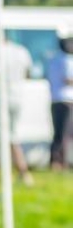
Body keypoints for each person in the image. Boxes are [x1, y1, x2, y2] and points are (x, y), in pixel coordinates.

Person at [3, 38, 36, 186]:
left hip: (3, 98)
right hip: (19, 96)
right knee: (11, 135)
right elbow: (29, 73)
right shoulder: (22, 51)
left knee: (8, 136)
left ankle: (22, 171)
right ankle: (16, 172)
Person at [45, 31, 73, 171]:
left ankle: (55, 161)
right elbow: (68, 79)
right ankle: (62, 162)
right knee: (65, 133)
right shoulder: (67, 60)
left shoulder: (53, 59)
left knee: (58, 133)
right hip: (67, 100)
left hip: (55, 99)